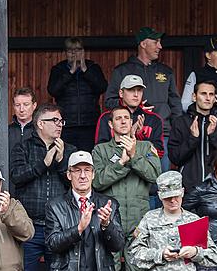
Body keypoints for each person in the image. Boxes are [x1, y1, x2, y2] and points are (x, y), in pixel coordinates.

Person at [91, 106, 161, 271]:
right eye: (118, 118)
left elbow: (155, 176)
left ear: (132, 123)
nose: (123, 121)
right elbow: (97, 181)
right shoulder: (100, 151)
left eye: (126, 118)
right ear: (110, 125)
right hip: (110, 224)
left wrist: (133, 157)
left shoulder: (146, 147)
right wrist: (121, 162)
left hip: (139, 225)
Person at [45, 151, 124, 271]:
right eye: (77, 170)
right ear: (68, 174)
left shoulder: (108, 203)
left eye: (87, 170)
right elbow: (52, 244)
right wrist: (78, 229)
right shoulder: (55, 205)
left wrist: (107, 225)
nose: (82, 175)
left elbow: (118, 245)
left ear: (94, 174)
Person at [10, 103, 75, 271]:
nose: (59, 125)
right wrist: (43, 164)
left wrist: (62, 161)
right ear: (40, 123)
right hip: (29, 226)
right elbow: (17, 177)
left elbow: (76, 184)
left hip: (58, 228)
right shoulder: (23, 147)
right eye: (54, 121)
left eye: (61, 121)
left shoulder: (70, 150)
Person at [105, 27, 183, 167]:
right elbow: (109, 101)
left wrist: (176, 131)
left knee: (160, 181)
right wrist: (131, 107)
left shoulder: (166, 72)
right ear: (143, 43)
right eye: (156, 42)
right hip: (129, 136)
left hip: (162, 135)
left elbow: (175, 103)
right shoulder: (122, 71)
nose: (160, 46)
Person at [168, 80, 217, 192]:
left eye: (211, 94)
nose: (208, 98)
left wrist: (214, 135)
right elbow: (175, 158)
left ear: (215, 98)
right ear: (194, 97)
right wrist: (193, 138)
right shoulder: (181, 122)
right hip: (189, 188)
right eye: (203, 94)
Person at [48, 37, 108, 152]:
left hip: (90, 124)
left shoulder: (92, 67)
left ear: (83, 51)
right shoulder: (58, 69)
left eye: (78, 50)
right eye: (71, 50)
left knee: (88, 157)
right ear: (65, 52)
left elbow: (102, 87)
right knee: (67, 158)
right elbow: (53, 90)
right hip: (66, 125)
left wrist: (85, 70)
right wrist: (70, 73)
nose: (74, 53)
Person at [95, 74, 164, 155]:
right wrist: (130, 135)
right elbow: (100, 151)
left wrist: (139, 136)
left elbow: (159, 153)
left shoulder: (154, 119)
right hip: (115, 166)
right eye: (131, 90)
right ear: (121, 93)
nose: (136, 94)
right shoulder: (107, 118)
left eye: (139, 90)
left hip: (142, 167)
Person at [8, 87, 37, 156]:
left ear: (34, 105)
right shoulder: (6, 130)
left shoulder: (40, 130)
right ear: (13, 106)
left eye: (26, 104)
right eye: (17, 105)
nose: (21, 109)